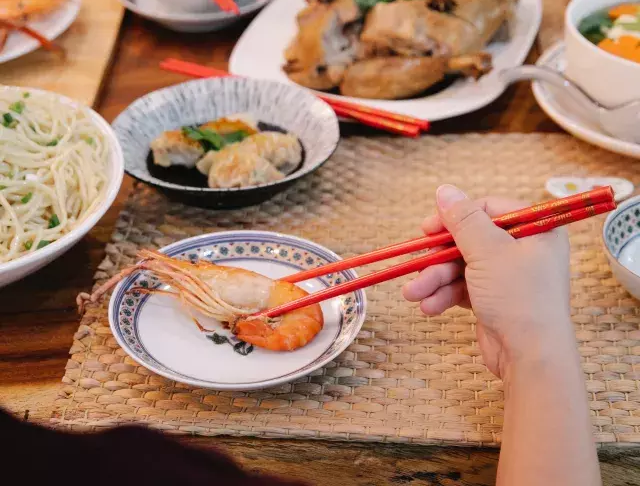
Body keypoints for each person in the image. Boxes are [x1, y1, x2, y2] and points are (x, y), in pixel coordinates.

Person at [2, 184, 601, 485]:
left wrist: (532, 345)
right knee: (180, 277)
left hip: (280, 320)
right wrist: (536, 344)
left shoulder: (96, 463)